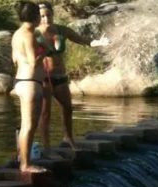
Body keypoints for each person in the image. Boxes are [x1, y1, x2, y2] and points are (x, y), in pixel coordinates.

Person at [37, 2, 109, 159]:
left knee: (68, 108)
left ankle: (68, 138)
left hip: (60, 76)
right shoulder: (35, 34)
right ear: (38, 17)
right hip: (44, 79)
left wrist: (97, 43)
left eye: (48, 14)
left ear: (52, 14)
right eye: (42, 16)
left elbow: (81, 39)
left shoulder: (62, 30)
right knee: (45, 114)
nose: (46, 18)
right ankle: (46, 146)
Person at [12, 1, 47, 173]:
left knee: (28, 125)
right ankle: (25, 164)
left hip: (22, 81)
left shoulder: (17, 34)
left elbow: (15, 59)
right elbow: (34, 63)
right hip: (30, 83)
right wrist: (45, 51)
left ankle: (24, 160)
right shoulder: (29, 35)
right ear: (35, 16)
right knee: (29, 125)